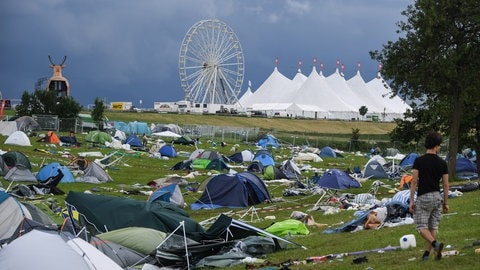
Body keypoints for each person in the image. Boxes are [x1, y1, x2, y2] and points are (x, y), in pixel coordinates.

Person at [409, 131, 449, 261]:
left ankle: (435, 244)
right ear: (436, 146)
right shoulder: (442, 163)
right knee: (433, 226)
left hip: (424, 197)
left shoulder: (419, 161)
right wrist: (446, 203)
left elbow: (414, 181)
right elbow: (446, 185)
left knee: (421, 226)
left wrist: (411, 201)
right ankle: (427, 255)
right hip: (437, 197)